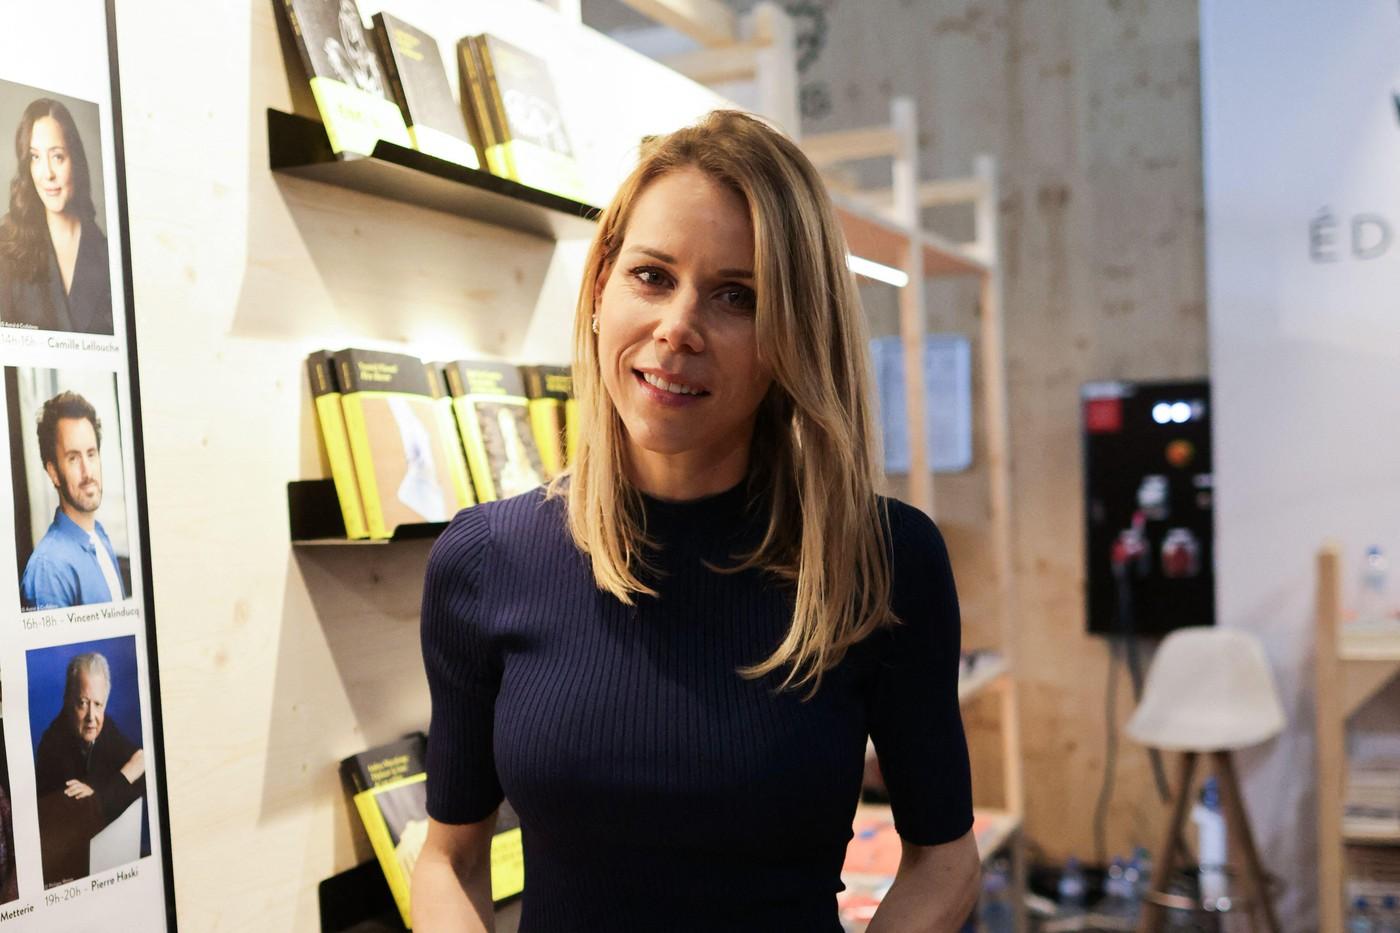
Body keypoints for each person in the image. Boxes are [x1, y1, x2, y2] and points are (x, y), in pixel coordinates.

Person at [412, 110, 980, 931]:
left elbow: (945, 858)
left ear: (791, 335)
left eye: (736, 296)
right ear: (600, 290)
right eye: (652, 275)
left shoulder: (882, 559)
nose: (679, 327)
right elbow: (448, 859)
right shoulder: (484, 561)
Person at [0, 98, 113, 335]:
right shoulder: (6, 246)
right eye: (35, 157)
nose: (47, 174)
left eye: (57, 156)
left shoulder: (108, 256)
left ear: (75, 160)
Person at [34, 652, 145, 886]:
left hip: (110, 861)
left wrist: (98, 792)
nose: (92, 717)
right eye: (83, 703)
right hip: (67, 875)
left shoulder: (105, 728)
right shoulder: (51, 745)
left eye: (98, 704)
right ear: (68, 700)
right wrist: (115, 789)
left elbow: (142, 762)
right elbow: (86, 813)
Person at [21, 390, 126, 611]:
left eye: (91, 454)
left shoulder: (99, 535)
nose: (88, 472)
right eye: (73, 458)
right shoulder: (48, 569)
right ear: (54, 473)